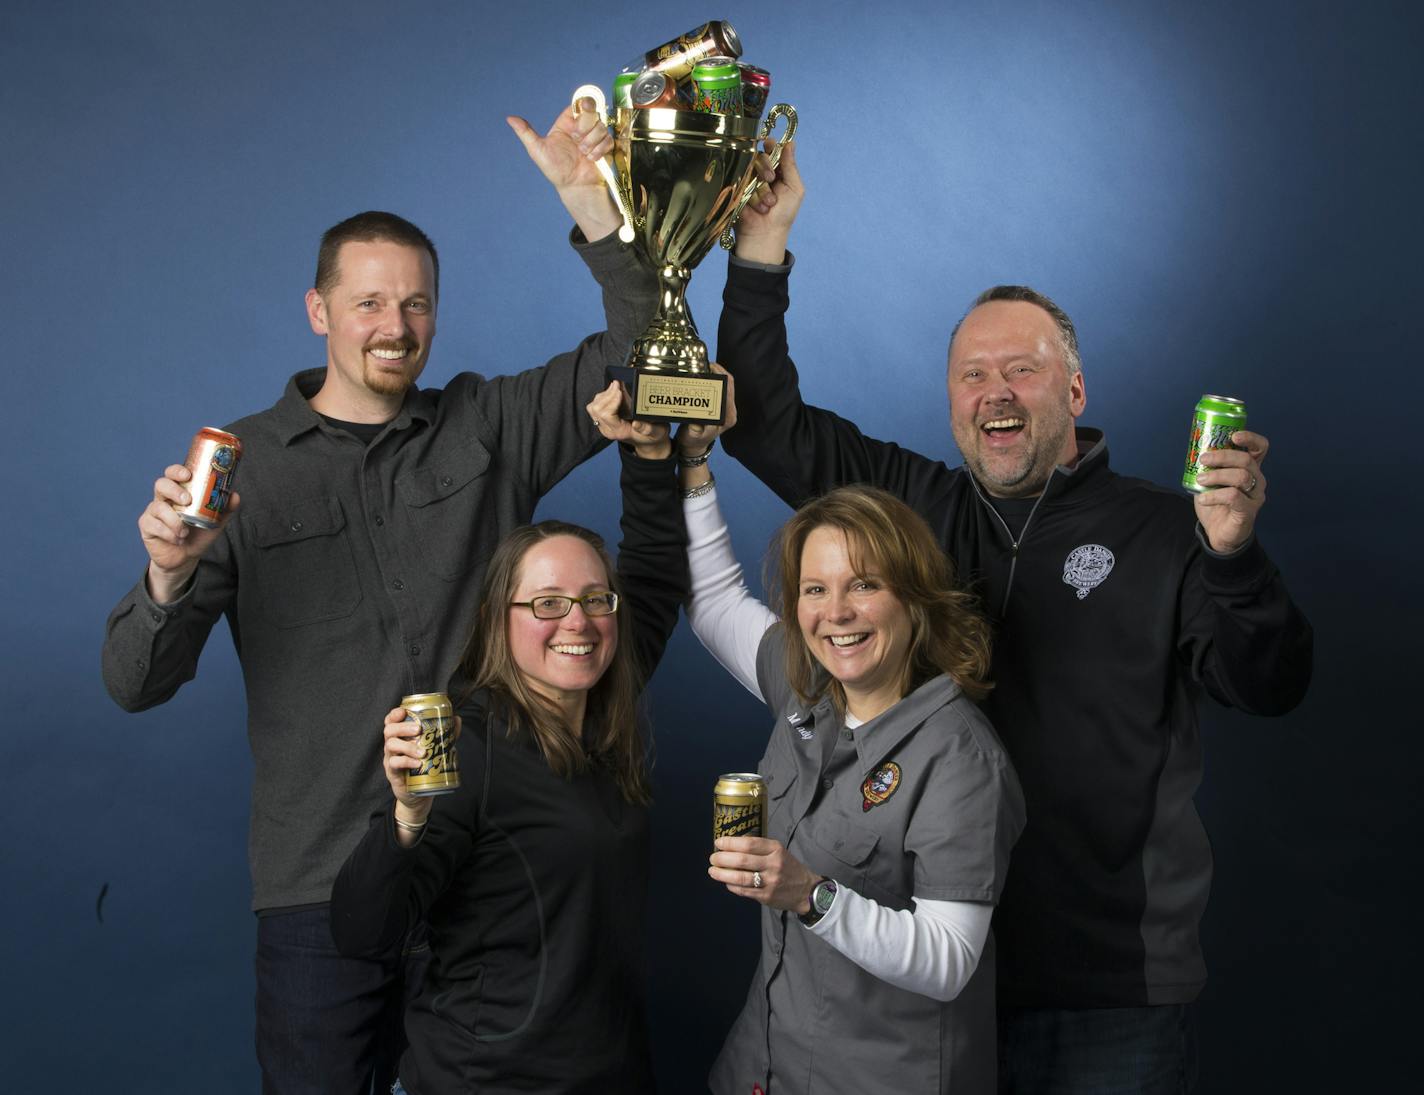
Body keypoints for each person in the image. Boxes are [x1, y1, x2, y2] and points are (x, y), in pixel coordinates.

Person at [710, 142, 1314, 1092]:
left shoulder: (1169, 528)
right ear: (952, 403)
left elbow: (1271, 684)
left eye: (1022, 371)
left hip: (1105, 989)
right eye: (971, 374)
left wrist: (1233, 556)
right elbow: (757, 419)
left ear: (1073, 392)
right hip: (920, 974)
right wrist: (761, 251)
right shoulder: (912, 511)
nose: (994, 391)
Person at [100, 102, 655, 1094]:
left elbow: (643, 356)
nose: (394, 328)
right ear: (318, 311)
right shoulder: (244, 467)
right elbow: (134, 684)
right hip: (320, 894)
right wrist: (169, 574)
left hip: (485, 878)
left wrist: (596, 216)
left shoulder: (487, 425)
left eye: (415, 305)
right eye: (367, 304)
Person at [330, 391, 684, 1095]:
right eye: (547, 602)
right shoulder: (468, 745)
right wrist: (405, 816)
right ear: (500, 618)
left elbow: (655, 572)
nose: (576, 622)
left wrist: (648, 454)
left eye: (594, 598)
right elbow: (364, 932)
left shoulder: (601, 712)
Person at [674, 405, 1025, 1093]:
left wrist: (811, 894)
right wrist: (692, 464)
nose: (835, 612)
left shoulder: (960, 757)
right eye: (815, 588)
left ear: (914, 598)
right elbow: (714, 599)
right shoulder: (809, 687)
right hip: (764, 1070)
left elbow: (949, 959)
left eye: (864, 584)